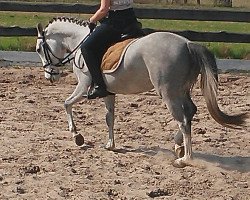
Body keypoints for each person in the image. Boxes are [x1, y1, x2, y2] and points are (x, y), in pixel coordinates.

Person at [80, 0, 142, 99]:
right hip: (132, 21)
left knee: (86, 48)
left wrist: (91, 20)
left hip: (115, 23)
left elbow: (103, 10)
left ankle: (100, 86)